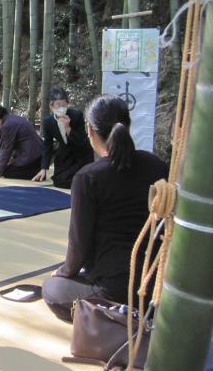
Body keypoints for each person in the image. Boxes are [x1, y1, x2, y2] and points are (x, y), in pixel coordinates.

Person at [42, 95, 168, 322]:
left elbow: (79, 245)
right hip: (158, 283)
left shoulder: (87, 177)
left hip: (113, 288)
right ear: (128, 126)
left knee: (53, 289)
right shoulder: (156, 165)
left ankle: (117, 315)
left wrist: (64, 272)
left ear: (89, 131)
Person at [33, 88, 94, 189]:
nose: (62, 108)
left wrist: (68, 128)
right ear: (51, 106)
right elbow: (47, 145)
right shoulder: (48, 122)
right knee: (59, 181)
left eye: (64, 105)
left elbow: (81, 141)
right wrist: (44, 168)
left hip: (81, 153)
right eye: (58, 105)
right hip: (64, 153)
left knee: (78, 181)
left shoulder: (76, 115)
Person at [0, 101, 42, 180]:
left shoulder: (7, 125)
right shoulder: (10, 119)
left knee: (7, 172)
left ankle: (37, 173)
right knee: (2, 168)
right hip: (32, 155)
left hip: (32, 157)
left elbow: (7, 150)